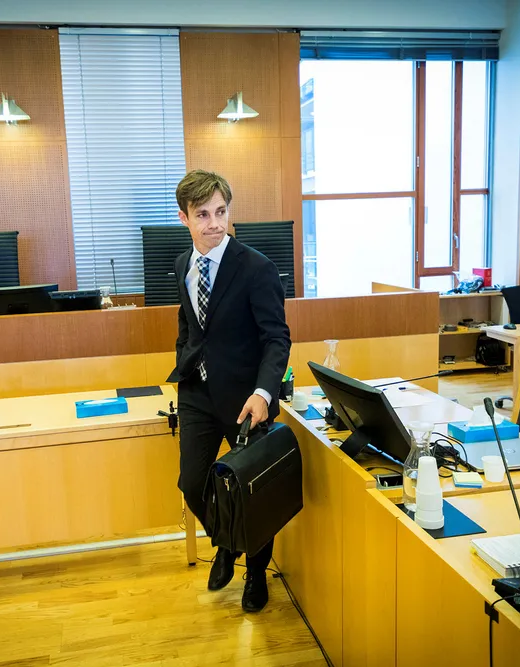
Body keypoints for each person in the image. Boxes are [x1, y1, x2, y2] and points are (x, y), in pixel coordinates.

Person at [167, 170, 291, 612]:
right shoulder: (182, 265)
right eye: (203, 214)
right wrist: (184, 361)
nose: (215, 223)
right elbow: (189, 326)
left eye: (221, 212)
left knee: (250, 489)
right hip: (197, 394)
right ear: (184, 218)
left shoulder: (256, 267)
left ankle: (256, 574)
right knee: (192, 484)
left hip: (247, 399)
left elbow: (277, 338)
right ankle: (227, 541)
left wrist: (263, 392)